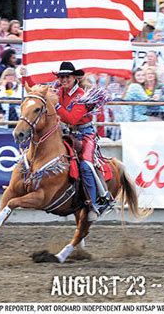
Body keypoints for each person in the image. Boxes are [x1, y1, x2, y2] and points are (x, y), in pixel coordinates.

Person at [48, 62, 112, 221]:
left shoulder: (82, 95)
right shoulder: (58, 92)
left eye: (66, 77)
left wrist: (55, 104)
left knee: (85, 164)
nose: (63, 80)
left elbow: (72, 118)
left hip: (85, 134)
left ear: (74, 78)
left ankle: (97, 202)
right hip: (65, 132)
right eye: (61, 77)